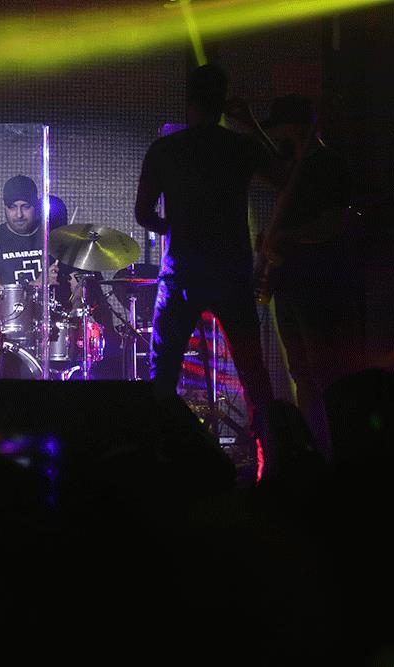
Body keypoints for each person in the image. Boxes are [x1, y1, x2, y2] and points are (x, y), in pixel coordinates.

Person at [134, 63, 275, 469]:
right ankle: (270, 460)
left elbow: (143, 213)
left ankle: (163, 464)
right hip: (231, 273)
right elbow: (283, 175)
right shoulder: (240, 147)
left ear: (189, 102)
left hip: (182, 273)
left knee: (164, 374)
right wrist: (250, 124)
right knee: (253, 373)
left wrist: (173, 228)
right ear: (223, 102)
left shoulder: (165, 150)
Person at [231, 95, 361, 460]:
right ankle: (315, 447)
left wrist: (285, 237)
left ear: (296, 128)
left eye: (282, 129)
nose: (278, 136)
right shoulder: (298, 165)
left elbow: (332, 223)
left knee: (322, 370)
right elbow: (279, 169)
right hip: (290, 281)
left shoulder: (328, 165)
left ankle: (336, 449)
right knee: (301, 369)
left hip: (317, 282)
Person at [0, 175, 58, 322]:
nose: (19, 214)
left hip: (52, 324)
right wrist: (34, 286)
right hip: (9, 325)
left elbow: (76, 288)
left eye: (25, 206)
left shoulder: (54, 237)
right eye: (12, 207)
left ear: (35, 206)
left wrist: (76, 308)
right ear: (5, 207)